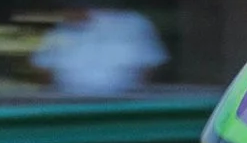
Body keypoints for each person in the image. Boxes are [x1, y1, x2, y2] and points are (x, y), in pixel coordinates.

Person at [31, 7, 169, 97]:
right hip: (70, 105)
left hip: (123, 104)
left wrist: (135, 96)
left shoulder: (132, 24)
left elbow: (150, 65)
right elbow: (44, 70)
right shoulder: (59, 32)